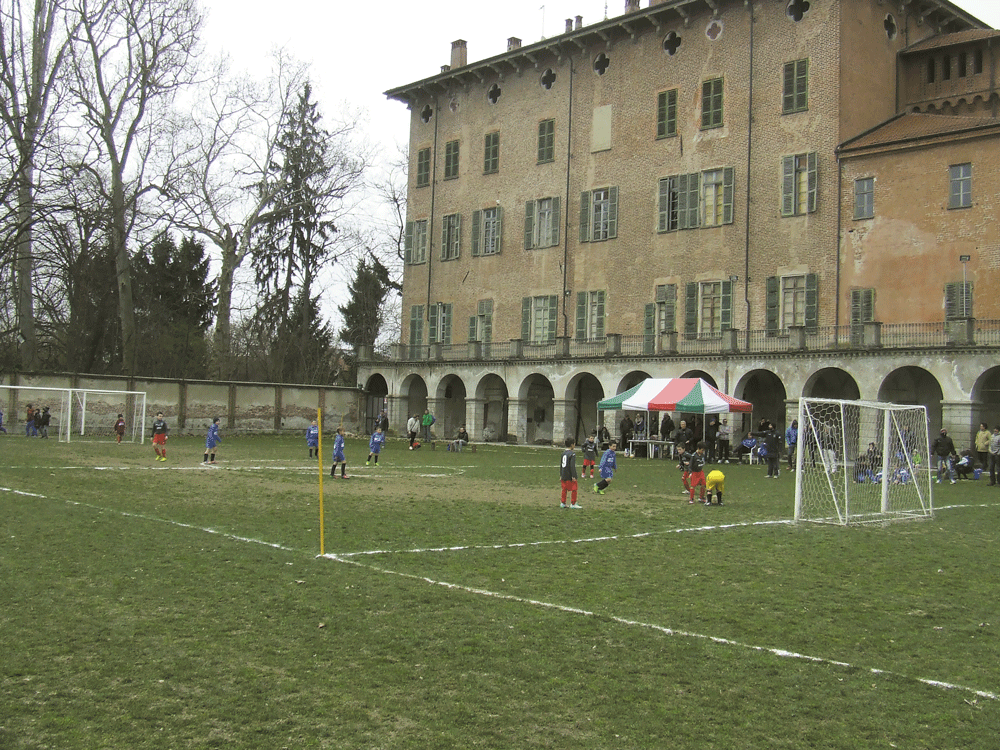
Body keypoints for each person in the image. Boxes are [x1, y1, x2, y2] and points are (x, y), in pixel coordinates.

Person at [560, 437, 581, 508]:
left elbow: (561, 465)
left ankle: (563, 503)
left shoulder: (563, 453)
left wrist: (561, 474)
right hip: (569, 474)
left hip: (563, 474)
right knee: (574, 489)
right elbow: (572, 466)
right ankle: (573, 503)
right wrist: (574, 476)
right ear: (572, 445)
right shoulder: (572, 454)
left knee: (564, 489)